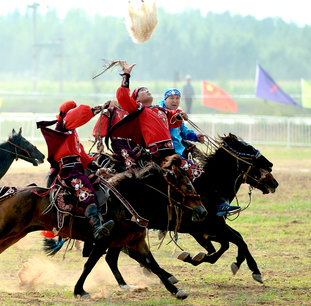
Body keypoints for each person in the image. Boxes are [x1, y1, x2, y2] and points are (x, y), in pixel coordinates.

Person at [117, 61, 239, 216]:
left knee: (188, 179)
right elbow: (122, 96)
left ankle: (200, 209)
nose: (147, 91)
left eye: (147, 89)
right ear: (137, 100)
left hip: (170, 153)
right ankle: (218, 205)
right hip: (161, 154)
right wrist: (126, 75)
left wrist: (180, 115)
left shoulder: (160, 110)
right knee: (197, 174)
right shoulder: (139, 110)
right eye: (142, 91)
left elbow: (174, 118)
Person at [38, 100, 114, 241]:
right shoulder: (64, 124)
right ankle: (96, 227)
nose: (77, 110)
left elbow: (82, 154)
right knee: (86, 192)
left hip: (76, 167)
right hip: (70, 170)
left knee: (101, 183)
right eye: (74, 109)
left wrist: (98, 168)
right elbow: (78, 114)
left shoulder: (71, 133)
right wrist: (103, 106)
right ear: (68, 113)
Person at [158, 88, 206, 158]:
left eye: (177, 98)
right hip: (166, 153)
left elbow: (183, 132)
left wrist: (195, 137)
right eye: (171, 98)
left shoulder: (178, 115)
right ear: (165, 100)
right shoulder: (159, 114)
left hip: (179, 152)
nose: (175, 101)